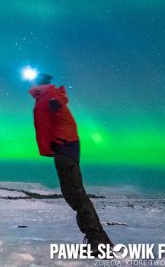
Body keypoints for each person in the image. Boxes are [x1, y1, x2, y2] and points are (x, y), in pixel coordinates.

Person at [29, 73, 112, 249]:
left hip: (65, 148)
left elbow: (65, 122)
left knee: (75, 195)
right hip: (63, 148)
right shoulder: (44, 97)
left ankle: (97, 241)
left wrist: (59, 141)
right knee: (76, 195)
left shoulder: (50, 96)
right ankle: (99, 240)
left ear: (38, 82)